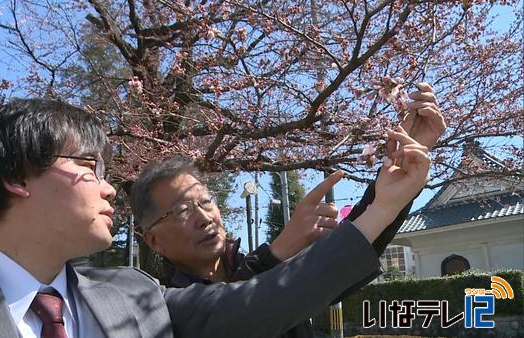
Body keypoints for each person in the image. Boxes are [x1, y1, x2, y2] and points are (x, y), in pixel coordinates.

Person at [0, 96, 434, 338]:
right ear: (18, 177)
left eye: (205, 200)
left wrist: (385, 204)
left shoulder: (135, 296)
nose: (107, 188)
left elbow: (267, 299)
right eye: (86, 166)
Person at [131, 83, 445, 338]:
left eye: (205, 201)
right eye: (183, 210)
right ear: (153, 240)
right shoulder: (159, 313)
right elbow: (254, 303)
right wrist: (281, 249)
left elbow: (333, 266)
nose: (203, 217)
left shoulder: (253, 263)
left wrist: (400, 174)